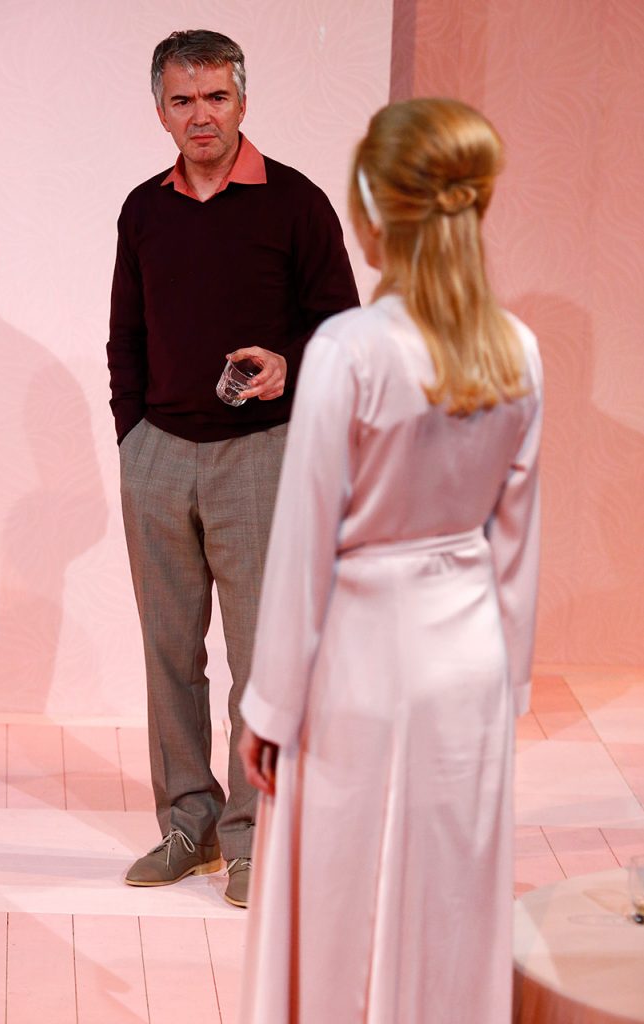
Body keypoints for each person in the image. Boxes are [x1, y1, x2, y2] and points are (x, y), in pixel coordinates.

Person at [237, 98, 543, 1022]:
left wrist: (269, 705)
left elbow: (303, 545)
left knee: (338, 902)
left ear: (371, 209)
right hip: (469, 666)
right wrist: (507, 690)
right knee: (447, 901)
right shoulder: (517, 350)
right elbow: (516, 545)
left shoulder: (350, 349)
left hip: (358, 662)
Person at [107, 29, 359, 908]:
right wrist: (131, 436)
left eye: (215, 96)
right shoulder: (143, 209)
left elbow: (340, 327)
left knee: (259, 659)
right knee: (167, 654)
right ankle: (191, 824)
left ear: (242, 102)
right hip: (158, 457)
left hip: (261, 456)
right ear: (160, 112)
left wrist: (290, 361)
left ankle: (254, 837)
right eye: (182, 100)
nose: (201, 115)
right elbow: (125, 334)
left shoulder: (295, 202)